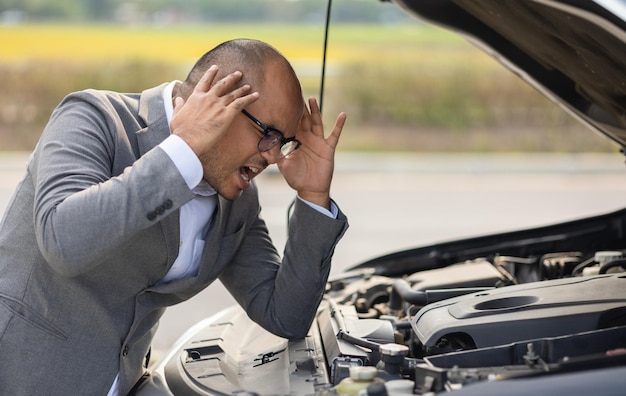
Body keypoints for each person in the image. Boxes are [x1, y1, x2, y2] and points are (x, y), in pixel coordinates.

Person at [0, 38, 348, 395]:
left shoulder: (237, 199)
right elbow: (63, 241)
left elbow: (286, 316)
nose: (273, 157)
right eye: (269, 135)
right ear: (217, 98)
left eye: (284, 142)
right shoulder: (93, 117)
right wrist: (183, 151)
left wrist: (313, 197)